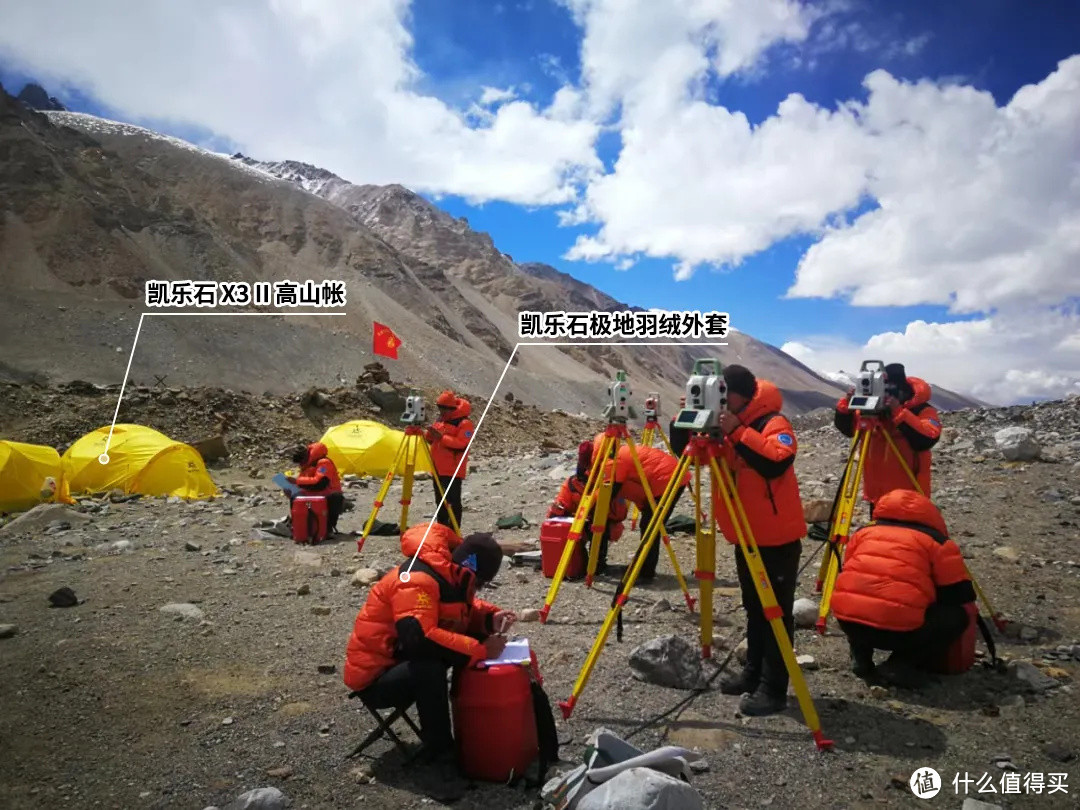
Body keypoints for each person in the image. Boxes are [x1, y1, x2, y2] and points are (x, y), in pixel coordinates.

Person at [343, 525, 516, 764]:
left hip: (400, 659)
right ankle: (440, 753)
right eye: (481, 583)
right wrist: (481, 650)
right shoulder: (416, 580)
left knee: (455, 650)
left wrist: (488, 619)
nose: (478, 589)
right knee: (431, 666)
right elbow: (419, 640)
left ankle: (470, 734)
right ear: (471, 571)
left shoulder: (448, 573)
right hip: (375, 679)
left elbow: (454, 611)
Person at [712, 365, 806, 717]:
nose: (723, 403)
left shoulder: (773, 423)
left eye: (726, 396)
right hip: (747, 536)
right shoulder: (728, 424)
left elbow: (777, 463)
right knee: (754, 609)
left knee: (775, 613)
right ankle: (753, 674)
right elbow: (686, 451)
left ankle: (773, 689)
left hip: (777, 539)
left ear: (742, 395)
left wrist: (739, 432)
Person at [831, 489, 975, 688]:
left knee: (861, 600)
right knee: (957, 617)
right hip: (900, 632)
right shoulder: (938, 543)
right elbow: (959, 595)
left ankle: (861, 658)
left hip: (849, 623)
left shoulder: (863, 533)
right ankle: (900, 664)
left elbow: (850, 574)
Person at [834, 363, 942, 519]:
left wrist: (898, 412)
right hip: (876, 496)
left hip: (909, 497)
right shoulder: (870, 410)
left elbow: (926, 439)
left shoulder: (921, 410)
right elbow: (847, 429)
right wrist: (847, 406)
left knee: (906, 539)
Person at [594, 437, 689, 581]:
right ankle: (643, 567)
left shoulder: (615, 461)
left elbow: (611, 491)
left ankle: (646, 572)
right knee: (649, 524)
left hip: (667, 479)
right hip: (669, 476)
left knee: (651, 526)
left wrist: (596, 510)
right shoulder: (621, 453)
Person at [547, 440, 628, 576]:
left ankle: (593, 563)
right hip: (581, 520)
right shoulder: (576, 482)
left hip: (598, 521)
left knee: (603, 526)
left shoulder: (596, 479)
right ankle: (582, 562)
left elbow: (619, 514)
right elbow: (559, 508)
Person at [426, 391, 475, 529]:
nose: (441, 411)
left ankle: (454, 532)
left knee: (452, 502)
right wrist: (430, 434)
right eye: (439, 408)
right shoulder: (440, 420)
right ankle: (442, 529)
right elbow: (431, 440)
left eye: (443, 408)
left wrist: (441, 437)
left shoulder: (465, 424)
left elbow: (462, 444)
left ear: (451, 408)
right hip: (437, 468)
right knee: (440, 502)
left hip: (452, 470)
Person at [285, 442, 344, 535]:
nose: (300, 464)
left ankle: (328, 528)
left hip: (328, 493)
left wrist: (297, 481)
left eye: (300, 462)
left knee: (335, 497)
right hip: (314, 492)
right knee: (294, 495)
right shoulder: (308, 465)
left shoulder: (324, 463)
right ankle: (298, 525)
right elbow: (308, 483)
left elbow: (320, 483)